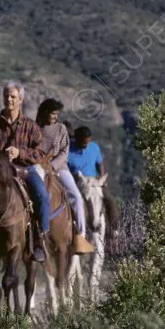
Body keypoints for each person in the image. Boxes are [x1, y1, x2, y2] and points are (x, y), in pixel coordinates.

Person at [0, 82, 49, 262]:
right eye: (6, 96)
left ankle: (40, 239)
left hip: (25, 170)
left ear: (21, 100)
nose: (9, 99)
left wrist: (19, 152)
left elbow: (40, 152)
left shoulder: (30, 126)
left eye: (13, 96)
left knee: (42, 196)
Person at [36, 99, 94, 255]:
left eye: (56, 114)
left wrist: (52, 166)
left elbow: (64, 152)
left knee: (76, 196)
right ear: (45, 112)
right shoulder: (36, 128)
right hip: (38, 167)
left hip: (59, 168)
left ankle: (80, 236)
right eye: (52, 113)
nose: (55, 116)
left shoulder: (61, 129)